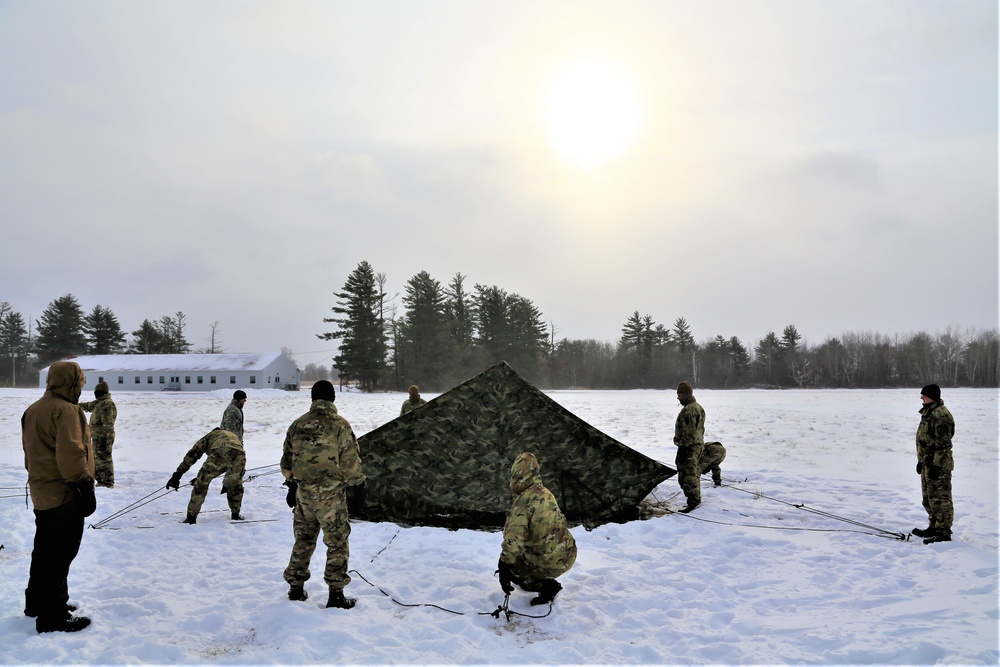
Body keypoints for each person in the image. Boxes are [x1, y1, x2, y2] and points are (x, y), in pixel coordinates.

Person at [22, 360, 95, 633]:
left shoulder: (34, 409)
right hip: (64, 494)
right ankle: (54, 615)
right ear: (73, 382)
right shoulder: (67, 411)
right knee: (60, 555)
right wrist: (84, 487)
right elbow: (72, 453)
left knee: (43, 551)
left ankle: (37, 603)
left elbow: (31, 452)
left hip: (41, 492)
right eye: (80, 382)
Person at [281, 380, 365, 609]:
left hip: (304, 494)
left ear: (312, 398)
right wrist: (357, 485)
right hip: (330, 496)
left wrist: (291, 485)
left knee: (304, 539)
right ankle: (336, 594)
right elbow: (350, 461)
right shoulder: (339, 425)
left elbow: (287, 460)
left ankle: (296, 588)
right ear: (333, 398)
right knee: (337, 542)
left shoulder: (297, 425)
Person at [497, 452, 577, 606]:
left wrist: (503, 567)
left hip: (550, 563)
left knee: (515, 569)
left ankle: (546, 587)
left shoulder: (523, 502)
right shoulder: (546, 493)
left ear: (517, 475)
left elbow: (513, 542)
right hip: (568, 555)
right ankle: (545, 576)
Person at [166, 428, 246, 523]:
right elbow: (225, 463)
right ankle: (235, 515)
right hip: (240, 453)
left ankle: (191, 518)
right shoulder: (231, 434)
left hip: (221, 450)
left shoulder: (208, 437)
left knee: (201, 484)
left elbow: (192, 456)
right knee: (235, 484)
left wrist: (177, 476)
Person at [912, 384, 955, 545]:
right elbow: (926, 440)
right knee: (929, 498)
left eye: (924, 395)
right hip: (927, 463)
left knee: (940, 499)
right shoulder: (929, 412)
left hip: (939, 466)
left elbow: (943, 444)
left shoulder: (940, 415)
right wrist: (921, 460)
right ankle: (934, 526)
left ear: (932, 396)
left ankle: (943, 532)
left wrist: (937, 465)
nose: (921, 398)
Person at [673, 381, 706, 513]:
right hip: (696, 445)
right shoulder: (698, 407)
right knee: (690, 474)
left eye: (679, 395)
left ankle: (693, 502)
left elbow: (688, 433)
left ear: (685, 395)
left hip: (689, 448)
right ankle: (694, 499)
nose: (678, 398)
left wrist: (678, 442)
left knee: (688, 476)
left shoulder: (689, 410)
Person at [79, 381, 117, 488]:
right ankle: (101, 480)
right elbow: (88, 406)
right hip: (97, 437)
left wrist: (105, 438)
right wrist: (75, 405)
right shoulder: (99, 403)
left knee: (105, 459)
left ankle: (107, 482)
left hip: (104, 437)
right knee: (98, 459)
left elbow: (108, 423)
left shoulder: (107, 405)